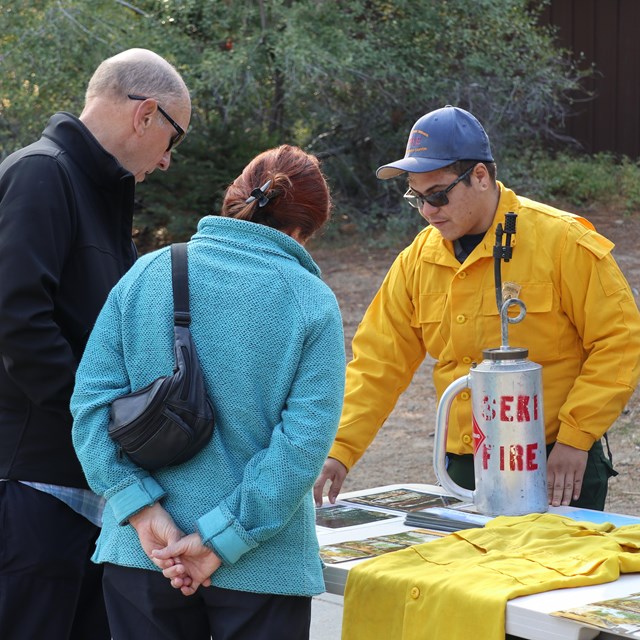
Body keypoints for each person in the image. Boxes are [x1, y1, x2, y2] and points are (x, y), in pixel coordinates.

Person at [70, 144, 346, 640]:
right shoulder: (311, 301)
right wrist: (221, 540)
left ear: (234, 198)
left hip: (142, 555)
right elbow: (300, 447)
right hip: (263, 567)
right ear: (305, 229)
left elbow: (90, 408)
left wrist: (142, 509)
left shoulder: (143, 276)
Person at [313, 105, 640, 512]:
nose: (429, 210)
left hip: (558, 462)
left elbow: (620, 341)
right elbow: (378, 363)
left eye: (438, 195)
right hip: (465, 470)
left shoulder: (563, 241)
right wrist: (339, 448)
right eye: (417, 197)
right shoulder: (418, 260)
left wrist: (576, 437)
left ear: (481, 177)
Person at [0, 48, 191, 640]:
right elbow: (16, 321)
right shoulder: (41, 174)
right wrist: (102, 420)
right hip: (34, 487)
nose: (164, 161)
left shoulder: (97, 193)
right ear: (147, 114)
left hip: (86, 486)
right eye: (173, 140)